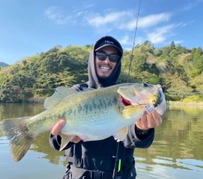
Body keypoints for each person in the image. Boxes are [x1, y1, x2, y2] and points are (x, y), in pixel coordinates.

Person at [49, 36, 167, 179]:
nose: (106, 61)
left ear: (118, 62)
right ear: (93, 58)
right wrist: (59, 136)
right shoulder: (76, 92)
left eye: (113, 57)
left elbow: (131, 138)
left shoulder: (128, 98)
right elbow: (55, 141)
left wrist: (143, 130)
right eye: (101, 55)